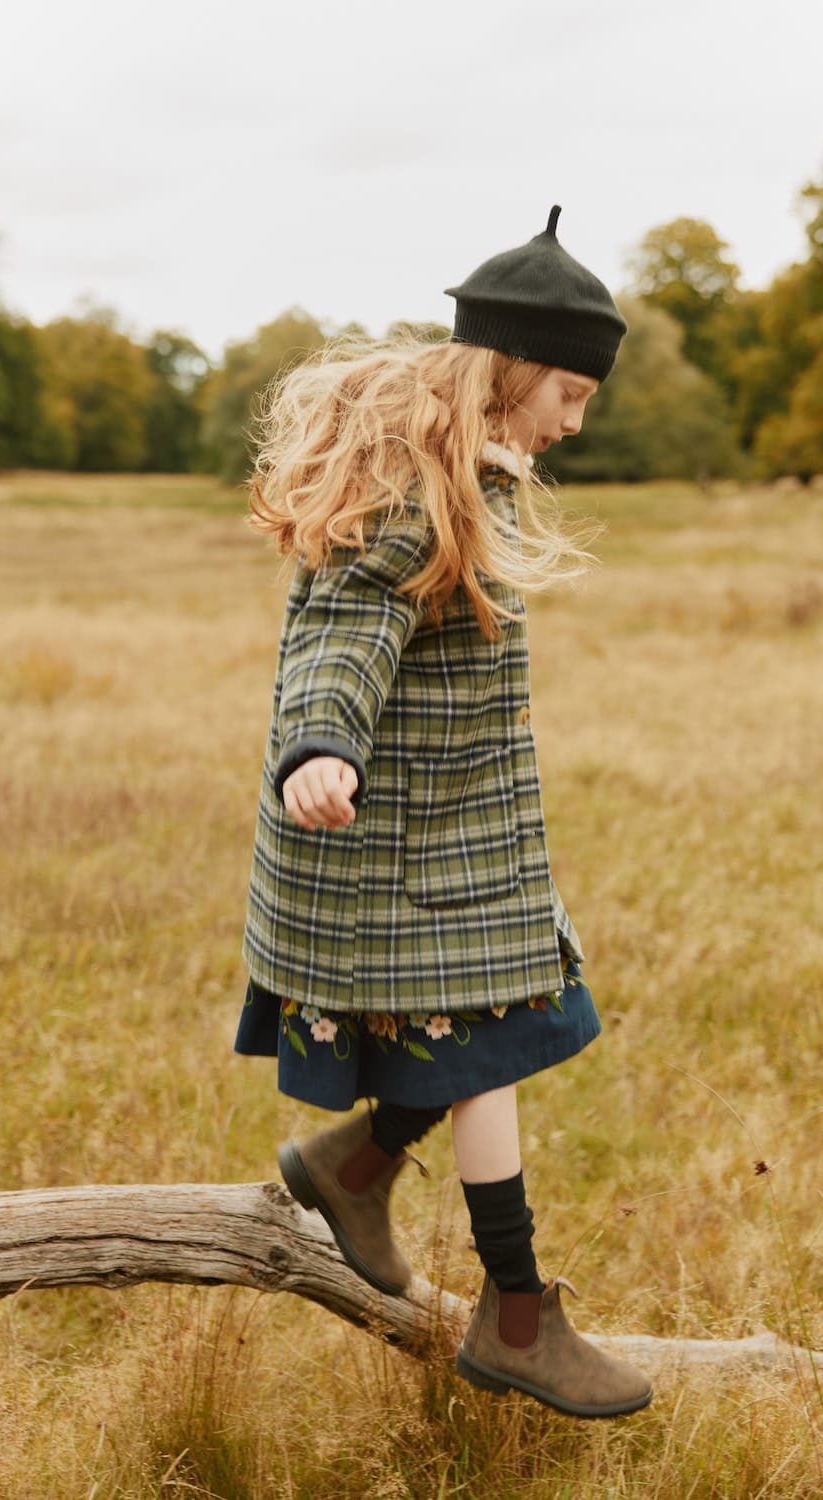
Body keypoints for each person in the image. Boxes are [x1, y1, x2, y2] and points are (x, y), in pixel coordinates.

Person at [234, 206, 653, 1420]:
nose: (576, 420)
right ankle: (515, 1318)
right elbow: (344, 635)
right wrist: (321, 746)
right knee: (493, 1053)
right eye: (567, 391)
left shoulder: (472, 477)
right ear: (512, 366)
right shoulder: (414, 499)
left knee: (516, 1025)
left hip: (460, 846)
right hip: (400, 851)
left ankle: (351, 1167)